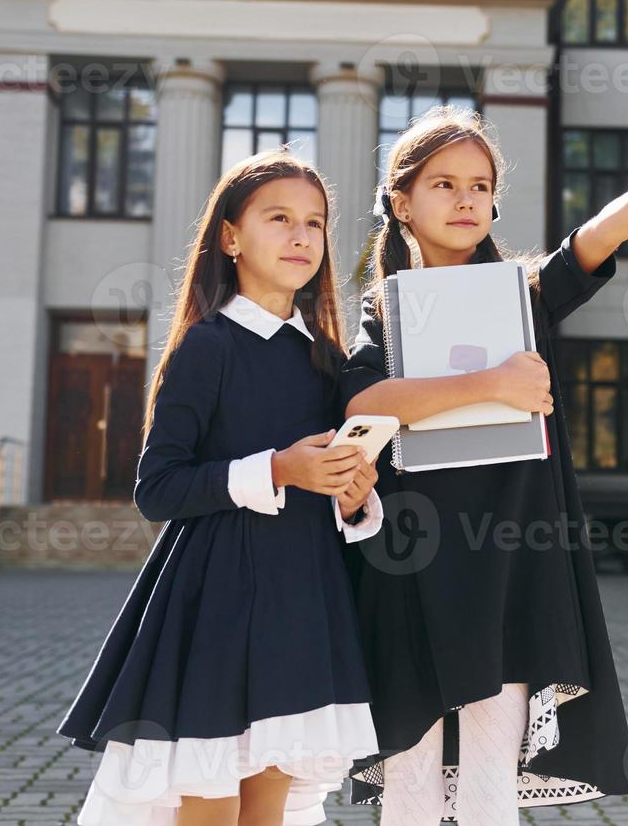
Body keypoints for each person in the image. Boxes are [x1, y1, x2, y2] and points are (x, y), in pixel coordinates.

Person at [339, 105, 628, 823]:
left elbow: (605, 229)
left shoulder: (526, 296)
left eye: (479, 185)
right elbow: (364, 400)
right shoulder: (381, 312)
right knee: (410, 788)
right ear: (401, 203)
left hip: (510, 569)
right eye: (443, 184)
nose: (465, 199)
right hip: (410, 572)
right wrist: (492, 384)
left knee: (488, 787)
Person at [55, 148, 387, 826]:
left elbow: (331, 495)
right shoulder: (207, 347)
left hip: (301, 604)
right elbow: (159, 488)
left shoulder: (328, 358)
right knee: (210, 803)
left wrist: (352, 494)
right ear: (230, 238)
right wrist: (276, 469)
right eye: (279, 219)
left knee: (267, 810)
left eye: (315, 223)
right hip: (218, 606)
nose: (301, 237)